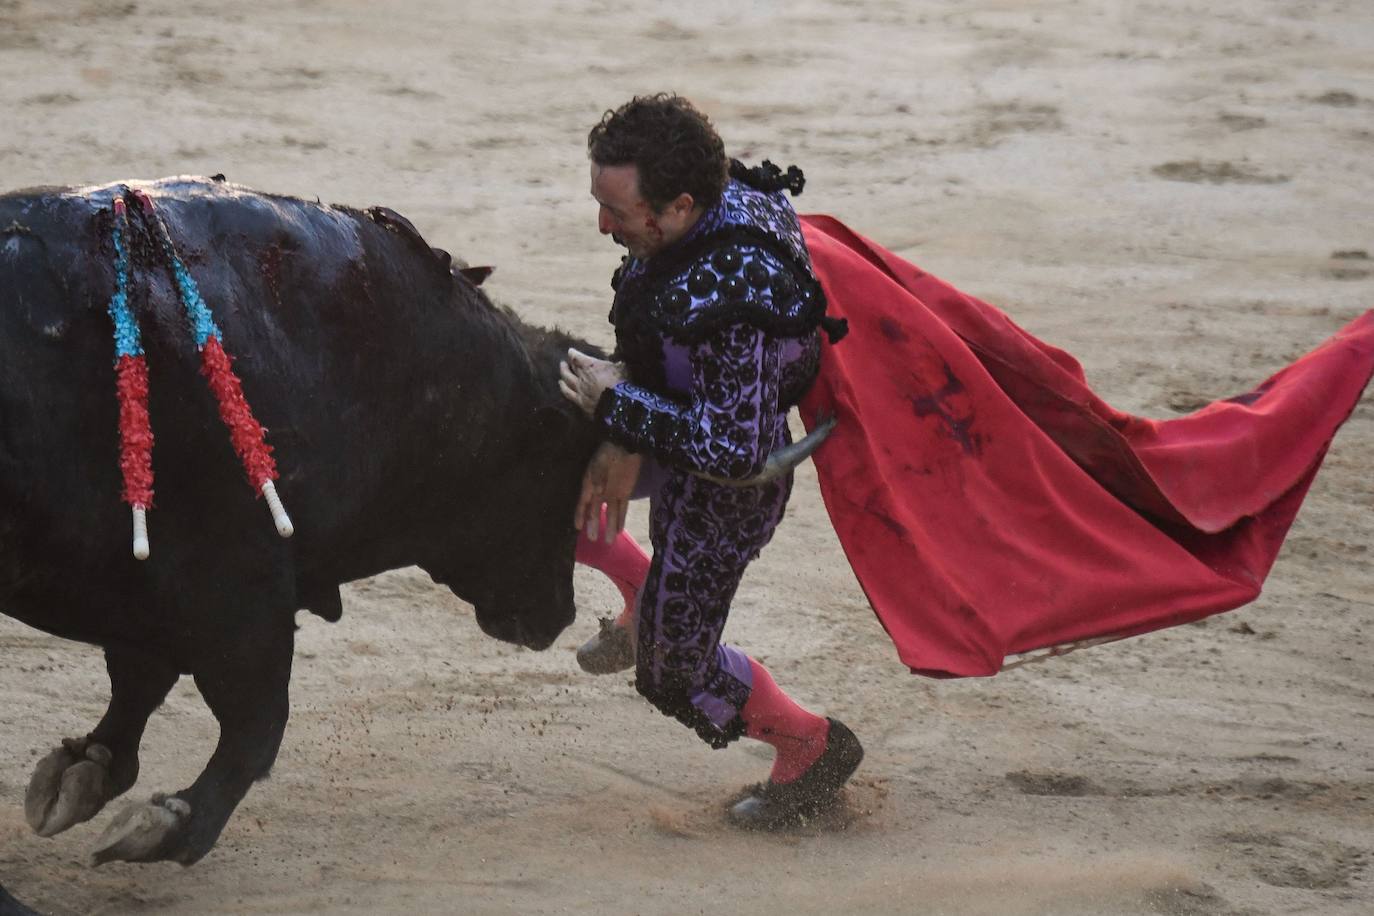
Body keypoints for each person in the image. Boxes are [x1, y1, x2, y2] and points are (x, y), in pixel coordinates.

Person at [558, 93, 861, 828]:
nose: (603, 225)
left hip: (728, 489)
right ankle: (638, 586)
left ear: (683, 206)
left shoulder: (739, 293)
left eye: (618, 212)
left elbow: (733, 449)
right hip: (673, 415)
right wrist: (621, 426)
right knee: (539, 465)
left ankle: (814, 748)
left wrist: (618, 410)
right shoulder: (701, 211)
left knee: (673, 675)